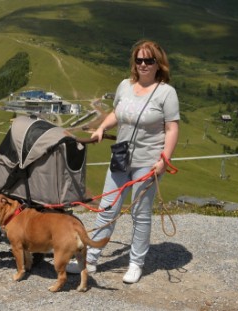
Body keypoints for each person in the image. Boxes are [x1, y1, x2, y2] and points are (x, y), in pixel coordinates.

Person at [66, 40, 180, 283]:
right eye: (139, 60)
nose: (143, 65)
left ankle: (136, 263)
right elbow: (117, 113)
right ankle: (91, 259)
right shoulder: (125, 86)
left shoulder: (166, 93)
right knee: (107, 209)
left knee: (140, 213)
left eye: (148, 60)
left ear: (158, 64)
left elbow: (171, 128)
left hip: (148, 161)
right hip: (121, 157)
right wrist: (101, 128)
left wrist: (164, 160)